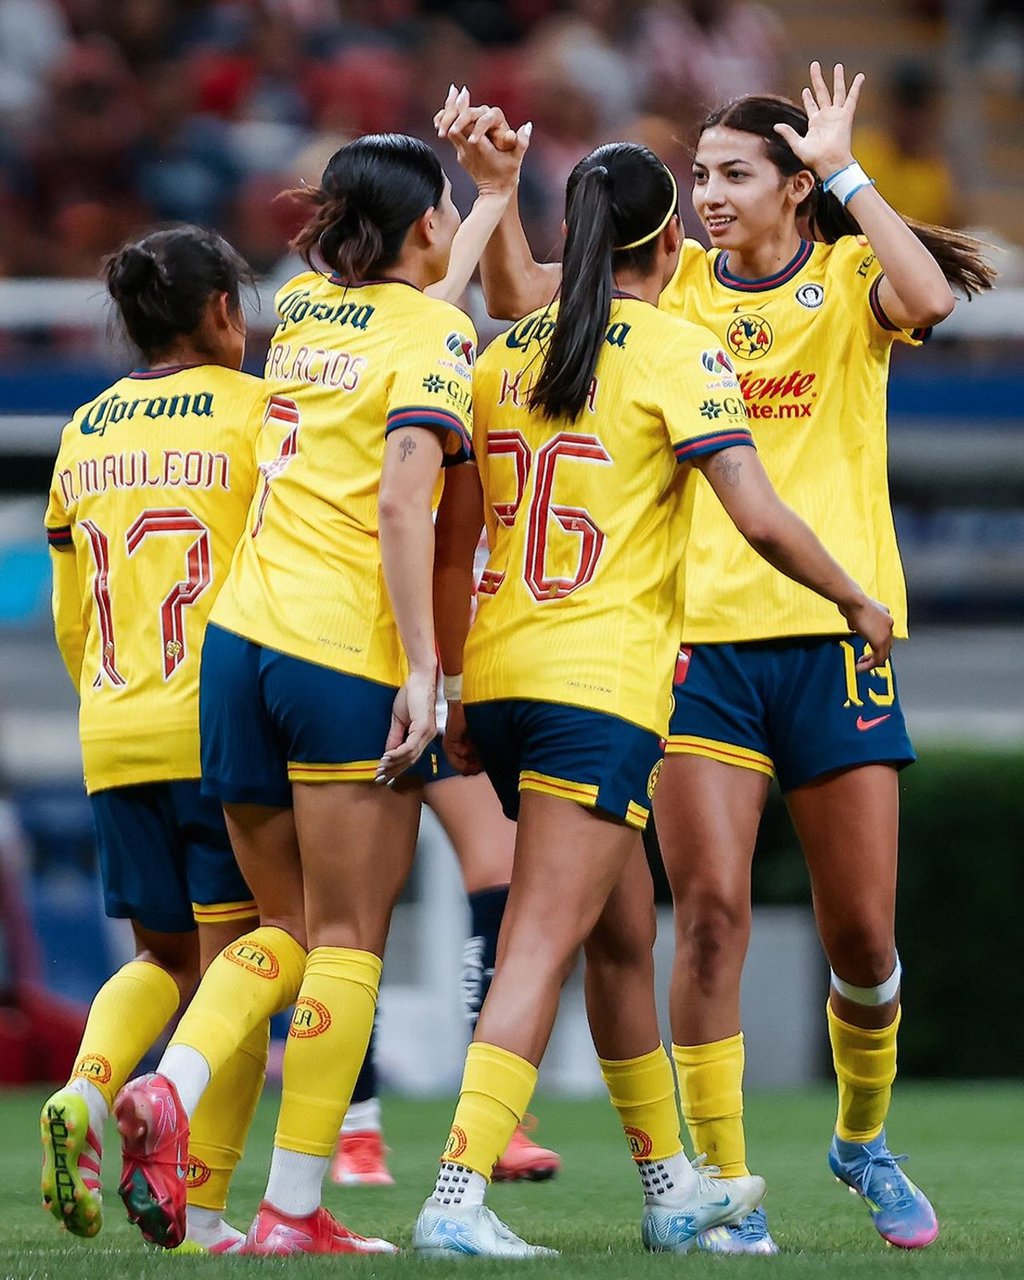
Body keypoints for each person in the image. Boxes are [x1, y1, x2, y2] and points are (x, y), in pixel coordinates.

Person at [442, 61, 994, 1254]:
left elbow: (928, 298)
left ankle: (860, 1138)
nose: (708, 197)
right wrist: (495, 191)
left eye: (735, 174)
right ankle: (724, 1186)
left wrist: (847, 164)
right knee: (710, 914)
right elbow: (526, 297)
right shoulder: (672, 286)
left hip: (835, 638)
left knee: (862, 936)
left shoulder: (848, 276)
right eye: (698, 176)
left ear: (798, 189)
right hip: (697, 647)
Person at [113, 119, 532, 1256]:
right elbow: (407, 498)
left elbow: (427, 298)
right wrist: (422, 663)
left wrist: (490, 193)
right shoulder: (434, 343)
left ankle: (179, 1085)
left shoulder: (299, 309)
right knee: (349, 940)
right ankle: (287, 1206)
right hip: (341, 652)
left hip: (237, 647)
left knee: (280, 929)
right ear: (425, 224)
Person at [40, 225, 270, 1254]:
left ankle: (87, 1096)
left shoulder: (83, 426)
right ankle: (206, 1205)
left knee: (162, 954)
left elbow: (66, 616)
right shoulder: (260, 413)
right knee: (244, 968)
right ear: (222, 309)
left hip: (112, 722)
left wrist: (106, 693)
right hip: (217, 726)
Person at [332, 753, 561, 1187]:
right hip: (375, 705)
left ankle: (493, 1123)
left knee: (503, 885)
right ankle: (357, 1132)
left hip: (446, 715)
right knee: (358, 920)